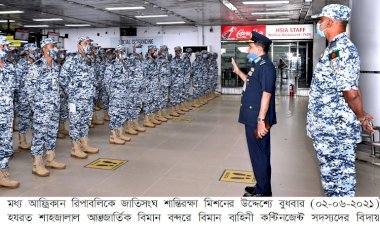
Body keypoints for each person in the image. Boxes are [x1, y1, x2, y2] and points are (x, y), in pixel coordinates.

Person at [307, 4, 375, 197]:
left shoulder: (342, 50)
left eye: (321, 20)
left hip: (336, 131)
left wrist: (360, 115)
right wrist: (359, 113)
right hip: (329, 129)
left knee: (340, 183)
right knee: (331, 181)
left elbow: (350, 92)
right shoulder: (334, 49)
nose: (319, 24)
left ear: (330, 21)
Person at [231, 31, 276, 197]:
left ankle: (263, 191)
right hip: (252, 116)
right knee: (257, 154)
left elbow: (266, 94)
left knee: (260, 155)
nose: (248, 50)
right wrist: (238, 72)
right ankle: (261, 185)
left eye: (250, 47)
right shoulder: (258, 65)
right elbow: (251, 83)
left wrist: (261, 120)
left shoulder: (266, 67)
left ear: (259, 49)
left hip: (257, 118)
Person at [26, 38, 66, 176]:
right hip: (41, 108)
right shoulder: (36, 66)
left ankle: (50, 158)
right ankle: (37, 164)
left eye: (55, 46)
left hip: (54, 106)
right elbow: (29, 90)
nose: (54, 48)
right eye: (52, 46)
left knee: (52, 132)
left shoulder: (56, 65)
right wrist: (37, 107)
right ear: (44, 48)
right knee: (39, 135)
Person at [60, 36, 99, 159]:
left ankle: (85, 144)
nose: (87, 45)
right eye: (85, 43)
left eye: (89, 43)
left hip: (88, 98)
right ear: (78, 45)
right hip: (75, 99)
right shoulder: (71, 60)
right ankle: (75, 148)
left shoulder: (89, 60)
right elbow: (63, 79)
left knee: (85, 121)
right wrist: (72, 92)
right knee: (75, 123)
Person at [0, 36, 20, 188]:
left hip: (7, 114)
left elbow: (15, 91)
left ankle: (3, 174)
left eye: (6, 47)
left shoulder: (10, 68)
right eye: (2, 47)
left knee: (6, 144)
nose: (5, 50)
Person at [104, 44, 131, 144]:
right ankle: (113, 136)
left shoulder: (125, 65)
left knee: (122, 114)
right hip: (116, 95)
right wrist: (112, 94)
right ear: (116, 53)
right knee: (115, 115)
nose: (122, 53)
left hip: (124, 94)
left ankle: (120, 133)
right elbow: (107, 81)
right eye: (120, 52)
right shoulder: (112, 66)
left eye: (123, 51)